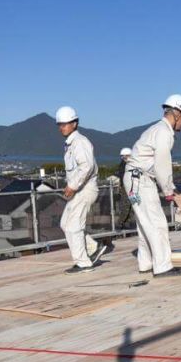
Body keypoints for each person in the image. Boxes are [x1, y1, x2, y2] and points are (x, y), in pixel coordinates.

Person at [126, 96, 181, 278]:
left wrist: (169, 186)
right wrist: (169, 190)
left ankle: (145, 263)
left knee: (145, 222)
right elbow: (162, 163)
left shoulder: (156, 129)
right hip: (140, 179)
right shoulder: (164, 132)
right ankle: (162, 266)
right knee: (157, 223)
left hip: (135, 179)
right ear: (177, 114)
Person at [56, 105, 107, 273]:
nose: (62, 127)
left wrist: (72, 185)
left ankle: (83, 262)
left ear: (75, 124)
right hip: (79, 189)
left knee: (73, 226)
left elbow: (87, 166)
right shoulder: (71, 144)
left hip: (84, 189)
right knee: (65, 223)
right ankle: (93, 247)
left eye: (66, 123)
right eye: (60, 124)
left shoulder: (79, 142)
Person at [110, 147, 135, 230]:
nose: (124, 158)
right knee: (127, 207)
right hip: (127, 188)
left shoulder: (127, 164)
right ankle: (120, 225)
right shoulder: (126, 165)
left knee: (131, 207)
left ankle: (126, 225)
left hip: (131, 188)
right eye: (123, 156)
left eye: (126, 156)